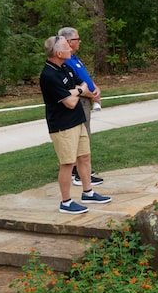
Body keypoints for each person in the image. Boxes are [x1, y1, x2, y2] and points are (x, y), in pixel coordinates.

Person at [39, 35, 111, 214]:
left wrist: (76, 90)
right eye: (66, 47)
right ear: (58, 52)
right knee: (68, 163)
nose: (71, 49)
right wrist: (79, 90)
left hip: (77, 121)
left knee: (84, 157)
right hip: (63, 126)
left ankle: (88, 192)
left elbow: (82, 85)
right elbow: (70, 101)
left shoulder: (65, 68)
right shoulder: (48, 75)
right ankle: (66, 202)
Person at [57, 27, 104, 187]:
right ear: (69, 42)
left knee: (86, 136)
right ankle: (78, 174)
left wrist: (95, 88)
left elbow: (84, 77)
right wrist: (92, 95)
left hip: (87, 100)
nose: (80, 41)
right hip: (80, 102)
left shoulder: (74, 58)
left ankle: (84, 171)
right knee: (80, 137)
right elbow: (73, 84)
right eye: (77, 39)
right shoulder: (66, 61)